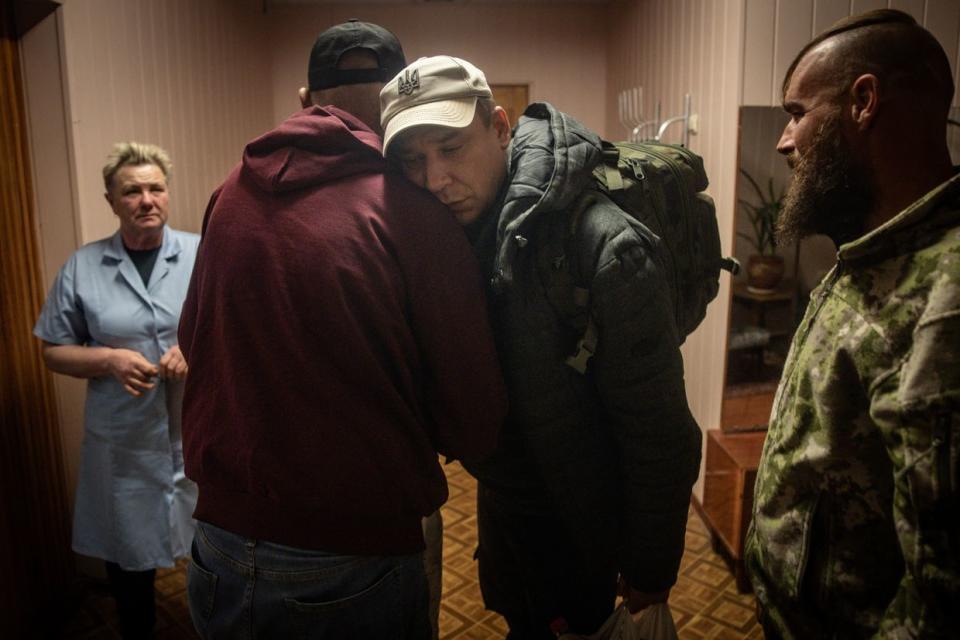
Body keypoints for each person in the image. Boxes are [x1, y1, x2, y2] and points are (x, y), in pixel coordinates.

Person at [178, 21, 506, 639]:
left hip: (217, 541)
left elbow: (195, 336)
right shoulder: (414, 212)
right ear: (396, 103)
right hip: (353, 556)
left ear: (306, 99)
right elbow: (475, 417)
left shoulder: (229, 195)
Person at [380, 56, 702, 639]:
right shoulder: (457, 229)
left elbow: (659, 431)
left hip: (589, 530)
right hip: (512, 510)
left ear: (500, 128)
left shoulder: (603, 245)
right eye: (412, 161)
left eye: (450, 149)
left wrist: (651, 574)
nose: (432, 180)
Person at [744, 9, 960, 638]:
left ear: (863, 102)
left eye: (796, 113)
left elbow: (941, 599)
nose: (784, 142)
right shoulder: (875, 252)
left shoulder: (945, 293)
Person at [34, 142, 199, 639]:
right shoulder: (83, 267)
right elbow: (52, 350)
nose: (147, 199)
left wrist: (193, 351)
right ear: (111, 201)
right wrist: (107, 358)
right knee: (128, 558)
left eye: (156, 188)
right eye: (132, 191)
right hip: (123, 440)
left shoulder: (202, 253)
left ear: (168, 194)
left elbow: (237, 330)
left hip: (196, 428)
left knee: (215, 546)